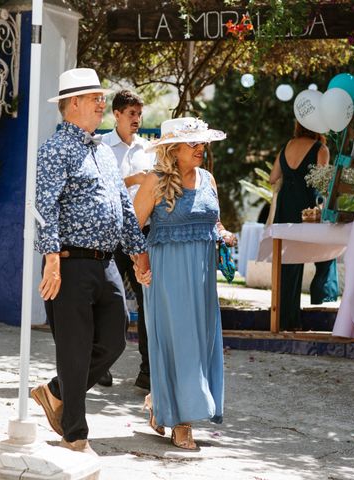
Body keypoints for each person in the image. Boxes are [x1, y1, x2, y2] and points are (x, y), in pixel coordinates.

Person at [30, 68, 150, 454]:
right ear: (74, 103)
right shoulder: (54, 149)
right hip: (69, 262)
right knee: (75, 349)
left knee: (115, 339)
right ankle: (75, 435)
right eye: (96, 98)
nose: (103, 103)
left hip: (107, 263)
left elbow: (123, 210)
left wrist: (138, 255)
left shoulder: (101, 149)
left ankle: (55, 392)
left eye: (102, 97)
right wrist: (51, 260)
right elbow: (43, 209)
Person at [132, 117, 235, 450]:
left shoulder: (208, 179)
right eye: (193, 143)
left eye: (202, 142)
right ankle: (181, 423)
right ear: (172, 149)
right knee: (181, 345)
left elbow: (212, 218)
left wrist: (222, 234)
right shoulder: (155, 181)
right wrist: (140, 263)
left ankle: (160, 401)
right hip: (167, 276)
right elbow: (132, 227)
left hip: (203, 277)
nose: (201, 148)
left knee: (200, 345)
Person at [101, 90, 155, 390]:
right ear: (117, 115)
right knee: (110, 301)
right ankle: (102, 366)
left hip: (142, 233)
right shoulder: (102, 147)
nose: (137, 119)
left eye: (139, 113)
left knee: (147, 301)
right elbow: (102, 187)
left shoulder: (148, 149)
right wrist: (135, 180)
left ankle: (147, 370)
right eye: (131, 113)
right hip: (113, 232)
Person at [269, 121, 339, 331]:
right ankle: (320, 295)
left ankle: (284, 320)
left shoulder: (287, 145)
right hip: (307, 209)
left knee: (288, 264)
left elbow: (273, 177)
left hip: (285, 205)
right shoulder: (321, 149)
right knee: (327, 252)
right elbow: (323, 184)